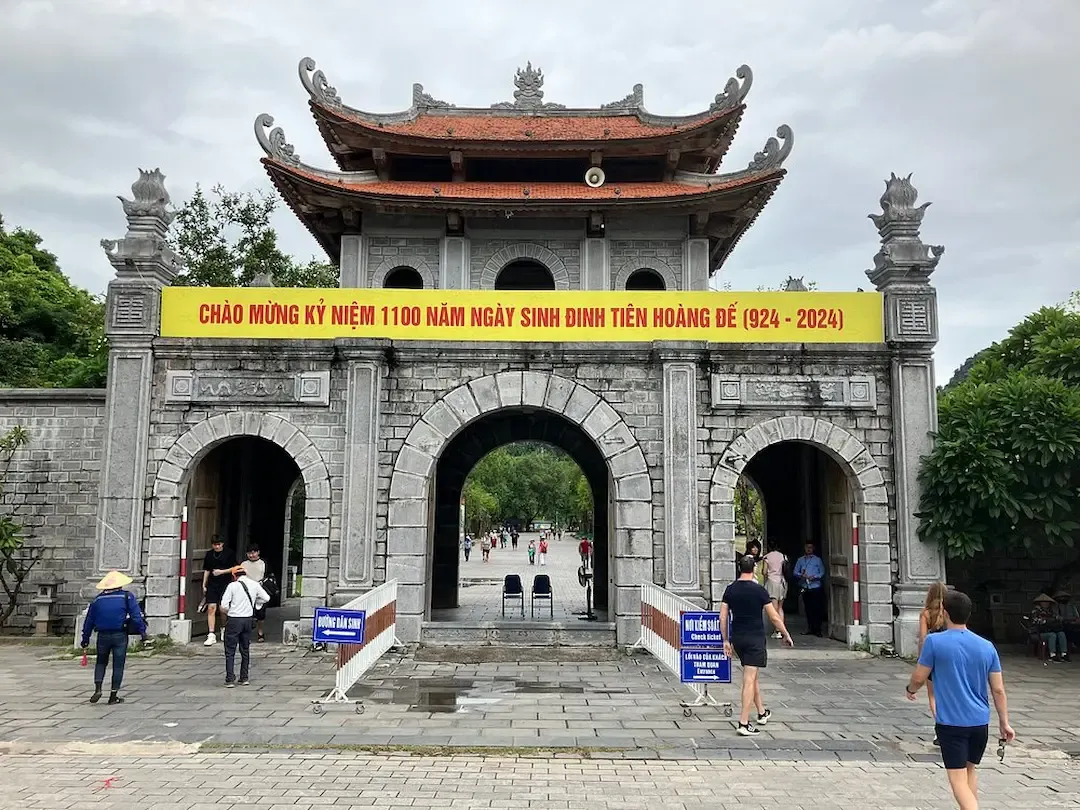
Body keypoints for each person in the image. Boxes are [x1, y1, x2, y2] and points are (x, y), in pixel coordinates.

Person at [906, 590, 1015, 810]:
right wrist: (1004, 723)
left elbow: (919, 676)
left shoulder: (934, 643)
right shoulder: (987, 646)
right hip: (979, 723)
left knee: (957, 780)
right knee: (969, 771)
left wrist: (910, 689)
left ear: (944, 613)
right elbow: (998, 689)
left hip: (951, 723)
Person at [720, 555, 794, 736]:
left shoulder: (730, 590)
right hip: (755, 639)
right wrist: (785, 633)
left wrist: (725, 640)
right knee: (749, 679)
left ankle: (761, 712)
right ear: (753, 569)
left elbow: (722, 617)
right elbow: (774, 616)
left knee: (753, 677)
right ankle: (743, 722)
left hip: (738, 638)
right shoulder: (759, 591)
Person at [80, 570, 147, 705]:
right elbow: (136, 616)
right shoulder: (126, 597)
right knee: (118, 664)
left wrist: (85, 638)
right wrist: (143, 632)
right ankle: (113, 695)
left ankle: (98, 688)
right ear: (120, 585)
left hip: (102, 636)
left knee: (101, 662)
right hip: (120, 635)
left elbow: (89, 620)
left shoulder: (97, 600)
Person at [219, 565, 271, 687]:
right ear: (245, 574)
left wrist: (231, 611)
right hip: (248, 620)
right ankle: (244, 677)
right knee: (245, 650)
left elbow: (223, 605)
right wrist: (256, 604)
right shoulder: (254, 584)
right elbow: (266, 598)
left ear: (234, 576)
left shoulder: (232, 586)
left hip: (234, 620)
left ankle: (230, 678)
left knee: (230, 651)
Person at [919, 581, 949, 744]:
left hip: (933, 658)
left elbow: (923, 640)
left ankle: (940, 727)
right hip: (949, 657)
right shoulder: (949, 613)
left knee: (933, 695)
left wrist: (921, 660)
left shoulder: (926, 614)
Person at [201, 536, 233, 646]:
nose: (217, 546)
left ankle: (224, 628)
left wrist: (222, 572)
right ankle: (211, 634)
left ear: (222, 544)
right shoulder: (209, 554)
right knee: (211, 607)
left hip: (225, 584)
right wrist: (204, 584)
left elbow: (235, 568)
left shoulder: (229, 553)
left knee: (223, 608)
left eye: (219, 544)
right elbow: (207, 569)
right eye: (215, 544)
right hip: (212, 584)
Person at [793, 542, 826, 637]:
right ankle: (810, 628)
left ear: (813, 548)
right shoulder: (800, 560)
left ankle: (818, 629)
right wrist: (801, 575)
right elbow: (795, 572)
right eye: (807, 547)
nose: (809, 549)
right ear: (804, 548)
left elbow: (822, 572)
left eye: (810, 547)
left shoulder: (817, 560)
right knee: (808, 609)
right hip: (805, 587)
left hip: (815, 586)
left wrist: (814, 577)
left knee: (817, 609)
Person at [240, 544, 268, 643]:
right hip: (247, 591)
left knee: (260, 613)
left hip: (260, 590)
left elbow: (268, 576)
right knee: (247, 613)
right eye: (249, 553)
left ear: (258, 552)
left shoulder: (263, 563)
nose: (252, 555)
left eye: (254, 552)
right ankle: (246, 634)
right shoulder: (243, 564)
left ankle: (260, 632)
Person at [762, 541, 788, 639]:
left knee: (774, 608)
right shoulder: (783, 556)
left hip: (772, 582)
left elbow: (764, 572)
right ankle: (781, 629)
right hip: (782, 582)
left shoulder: (767, 557)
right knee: (780, 608)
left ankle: (777, 630)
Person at [1032, 593, 1068, 662]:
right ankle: (1052, 655)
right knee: (1052, 635)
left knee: (1061, 634)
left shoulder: (1050, 611)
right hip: (1038, 633)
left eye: (1047, 602)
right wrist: (1047, 621)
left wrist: (1058, 619)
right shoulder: (1035, 611)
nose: (1046, 604)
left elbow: (1058, 618)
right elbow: (1037, 622)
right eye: (1044, 602)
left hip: (1050, 630)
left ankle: (1064, 654)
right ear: (1040, 603)